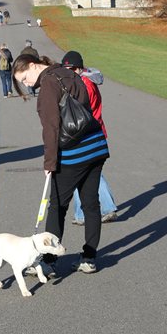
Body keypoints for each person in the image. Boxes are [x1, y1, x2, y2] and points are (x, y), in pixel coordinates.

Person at [12, 53, 108, 275]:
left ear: (34, 65)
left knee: (57, 207)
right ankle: (89, 258)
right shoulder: (69, 73)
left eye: (25, 78)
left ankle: (48, 261)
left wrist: (50, 163)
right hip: (95, 146)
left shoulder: (47, 84)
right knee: (91, 204)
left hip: (73, 154)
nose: (27, 84)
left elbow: (51, 128)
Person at [61, 51, 118, 225]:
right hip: (91, 132)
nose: (68, 72)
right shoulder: (84, 81)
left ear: (78, 68)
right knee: (91, 174)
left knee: (82, 173)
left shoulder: (84, 83)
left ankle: (85, 213)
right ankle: (99, 209)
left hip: (87, 133)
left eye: (71, 69)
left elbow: (82, 110)